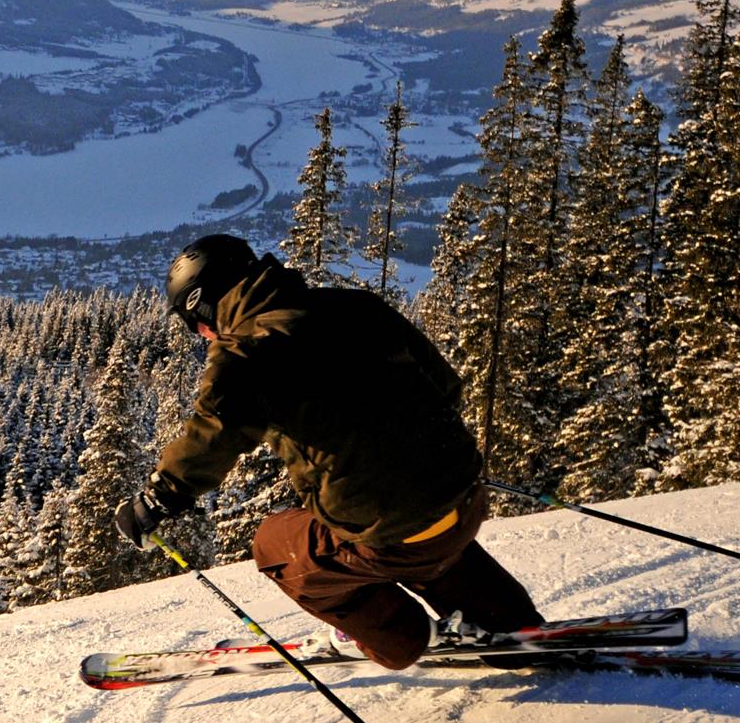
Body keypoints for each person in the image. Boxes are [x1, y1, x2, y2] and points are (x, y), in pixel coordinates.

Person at [113, 234, 542, 669]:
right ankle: (504, 619)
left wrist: (157, 498)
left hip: (390, 535)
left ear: (205, 305)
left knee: (275, 544)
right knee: (414, 524)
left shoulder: (245, 352)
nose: (202, 335)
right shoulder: (356, 307)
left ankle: (399, 637)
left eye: (195, 323)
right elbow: (446, 386)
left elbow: (213, 435)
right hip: (463, 498)